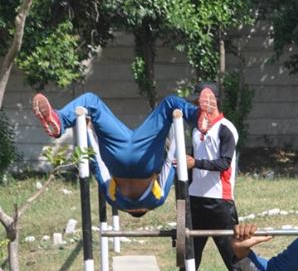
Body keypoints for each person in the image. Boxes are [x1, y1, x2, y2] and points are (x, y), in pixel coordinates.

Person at [31, 89, 218, 216]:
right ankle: (60, 121)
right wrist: (88, 132)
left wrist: (177, 132)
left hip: (143, 156)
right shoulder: (116, 202)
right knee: (90, 102)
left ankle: (196, 117)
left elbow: (172, 163)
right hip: (118, 159)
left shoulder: (156, 200)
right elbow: (98, 165)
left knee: (170, 103)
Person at [165, 82, 257, 271]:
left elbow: (224, 163)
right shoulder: (196, 129)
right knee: (191, 246)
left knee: (229, 246)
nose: (197, 104)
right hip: (195, 196)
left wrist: (194, 162)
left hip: (220, 199)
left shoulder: (226, 128)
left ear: (213, 100)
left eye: (201, 99)